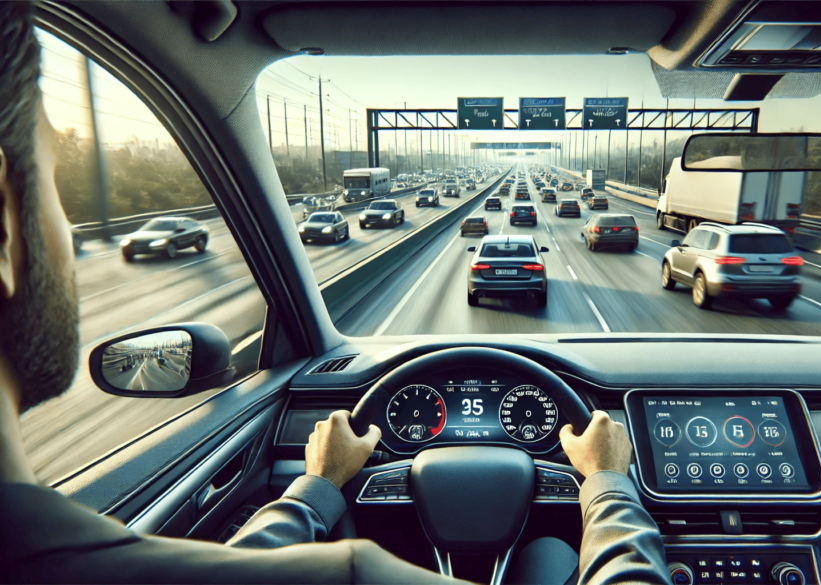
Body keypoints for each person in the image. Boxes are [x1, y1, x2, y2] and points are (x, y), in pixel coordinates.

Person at [0, 4, 670, 583]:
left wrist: (316, 488)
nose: (66, 229)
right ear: (5, 223)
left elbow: (247, 565)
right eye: (59, 187)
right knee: (552, 556)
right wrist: (609, 481)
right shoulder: (352, 575)